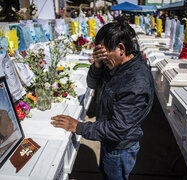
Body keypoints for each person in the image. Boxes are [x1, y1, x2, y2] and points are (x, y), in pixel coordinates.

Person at [51, 22, 154, 180]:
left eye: (103, 52)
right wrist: (98, 64)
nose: (101, 56)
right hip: (109, 140)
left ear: (121, 48)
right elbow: (92, 84)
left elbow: (117, 129)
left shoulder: (135, 82)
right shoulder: (115, 64)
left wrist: (78, 126)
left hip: (119, 148)